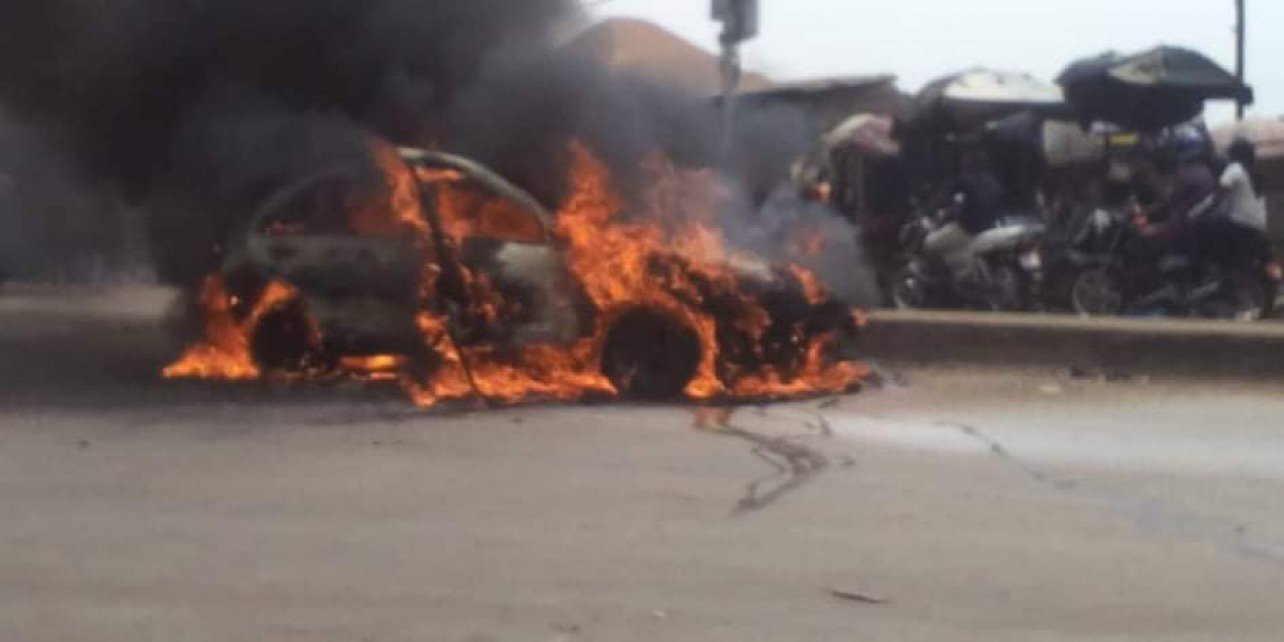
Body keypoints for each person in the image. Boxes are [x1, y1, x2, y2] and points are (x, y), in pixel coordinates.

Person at [924, 150, 1002, 283]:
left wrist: (928, 210)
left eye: (964, 161)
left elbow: (945, 199)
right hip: (990, 227)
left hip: (968, 228)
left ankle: (943, 283)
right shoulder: (993, 181)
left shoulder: (965, 181)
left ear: (969, 164)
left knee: (930, 243)